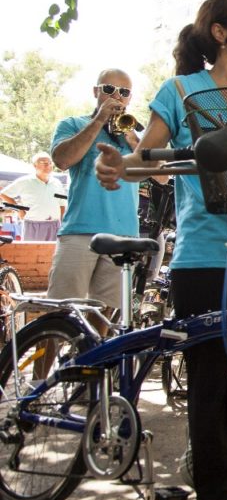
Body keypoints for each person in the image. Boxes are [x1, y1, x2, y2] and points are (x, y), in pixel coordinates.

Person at [94, 0, 227, 500]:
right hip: (202, 259)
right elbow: (148, 158)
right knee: (209, 376)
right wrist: (122, 169)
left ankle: (211, 451)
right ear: (222, 33)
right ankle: (214, 491)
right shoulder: (181, 91)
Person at [49, 70, 140, 325]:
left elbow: (163, 177)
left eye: (124, 92)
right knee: (58, 316)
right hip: (80, 232)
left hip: (123, 237)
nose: (117, 97)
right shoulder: (72, 124)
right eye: (109, 89)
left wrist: (133, 141)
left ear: (130, 98)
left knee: (104, 320)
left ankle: (87, 364)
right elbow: (63, 160)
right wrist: (99, 120)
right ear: (95, 92)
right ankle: (48, 367)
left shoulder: (133, 133)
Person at [0, 152, 65, 241]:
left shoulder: (57, 183)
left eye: (50, 163)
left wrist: (61, 222)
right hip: (32, 225)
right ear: (35, 165)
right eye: (44, 163)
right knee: (32, 253)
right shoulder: (25, 181)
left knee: (52, 254)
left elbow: (62, 204)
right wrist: (19, 210)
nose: (48, 165)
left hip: (54, 225)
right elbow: (4, 194)